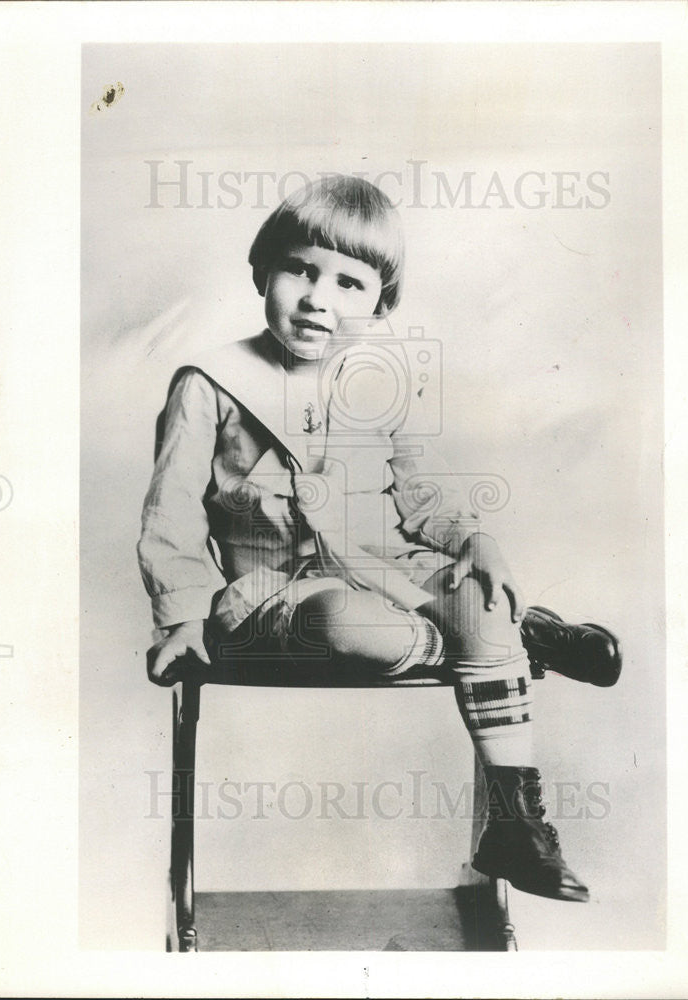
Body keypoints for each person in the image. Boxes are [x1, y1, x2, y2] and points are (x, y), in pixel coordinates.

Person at [138, 175, 621, 903]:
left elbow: (420, 490)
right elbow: (172, 513)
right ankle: (514, 641)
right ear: (262, 270)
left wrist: (474, 541)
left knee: (477, 596)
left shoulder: (380, 378)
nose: (317, 298)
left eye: (349, 283)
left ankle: (517, 828)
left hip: (392, 568)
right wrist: (180, 616)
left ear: (378, 302)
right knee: (349, 619)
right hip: (279, 588)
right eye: (300, 269)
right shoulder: (209, 383)